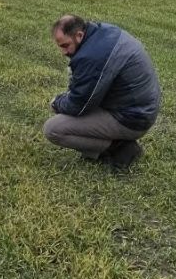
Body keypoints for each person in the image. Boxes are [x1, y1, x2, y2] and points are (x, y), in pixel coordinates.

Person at [43, 14, 161, 169]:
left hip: (133, 118)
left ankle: (120, 148)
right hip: (141, 109)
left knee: (53, 129)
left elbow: (79, 105)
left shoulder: (92, 57)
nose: (63, 52)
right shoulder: (103, 33)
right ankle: (118, 142)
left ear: (79, 35)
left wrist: (56, 102)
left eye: (65, 45)